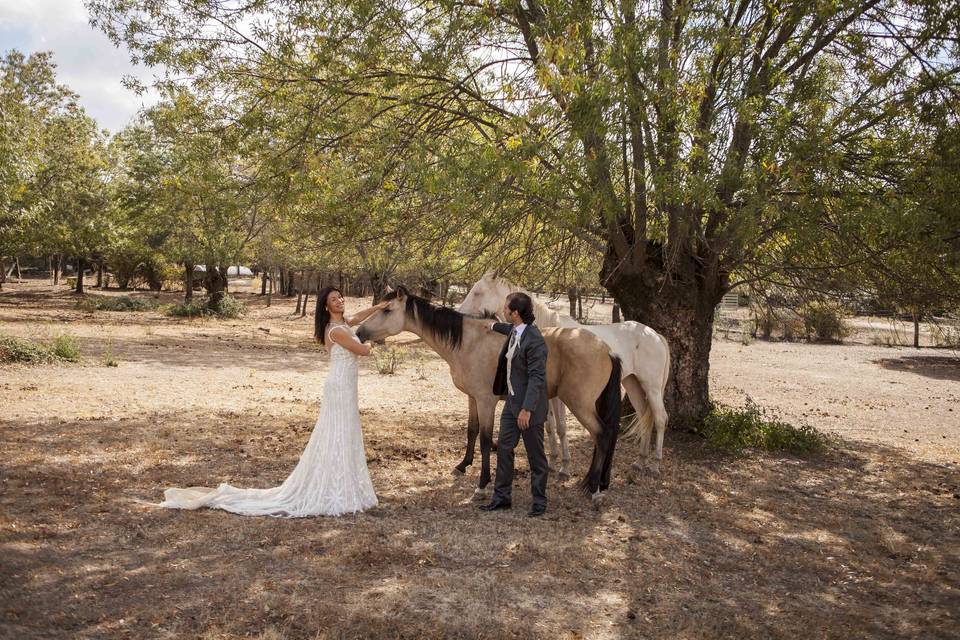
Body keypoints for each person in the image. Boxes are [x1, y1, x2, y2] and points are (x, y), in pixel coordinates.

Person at [158, 287, 387, 517]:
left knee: (344, 433)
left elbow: (357, 318)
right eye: (334, 299)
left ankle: (342, 484)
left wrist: (378, 307)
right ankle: (336, 487)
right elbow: (362, 351)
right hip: (339, 389)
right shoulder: (335, 330)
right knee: (337, 433)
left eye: (340, 297)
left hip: (345, 387)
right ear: (326, 306)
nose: (340, 300)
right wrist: (374, 340)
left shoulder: (344, 322)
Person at [480, 292, 550, 518]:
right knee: (504, 449)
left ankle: (539, 502)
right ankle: (502, 498)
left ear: (515, 313)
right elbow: (508, 330)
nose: (503, 309)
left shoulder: (535, 341)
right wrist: (491, 326)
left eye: (506, 308)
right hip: (511, 404)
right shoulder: (516, 330)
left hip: (529, 409)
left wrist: (527, 410)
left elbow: (537, 378)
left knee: (536, 457)